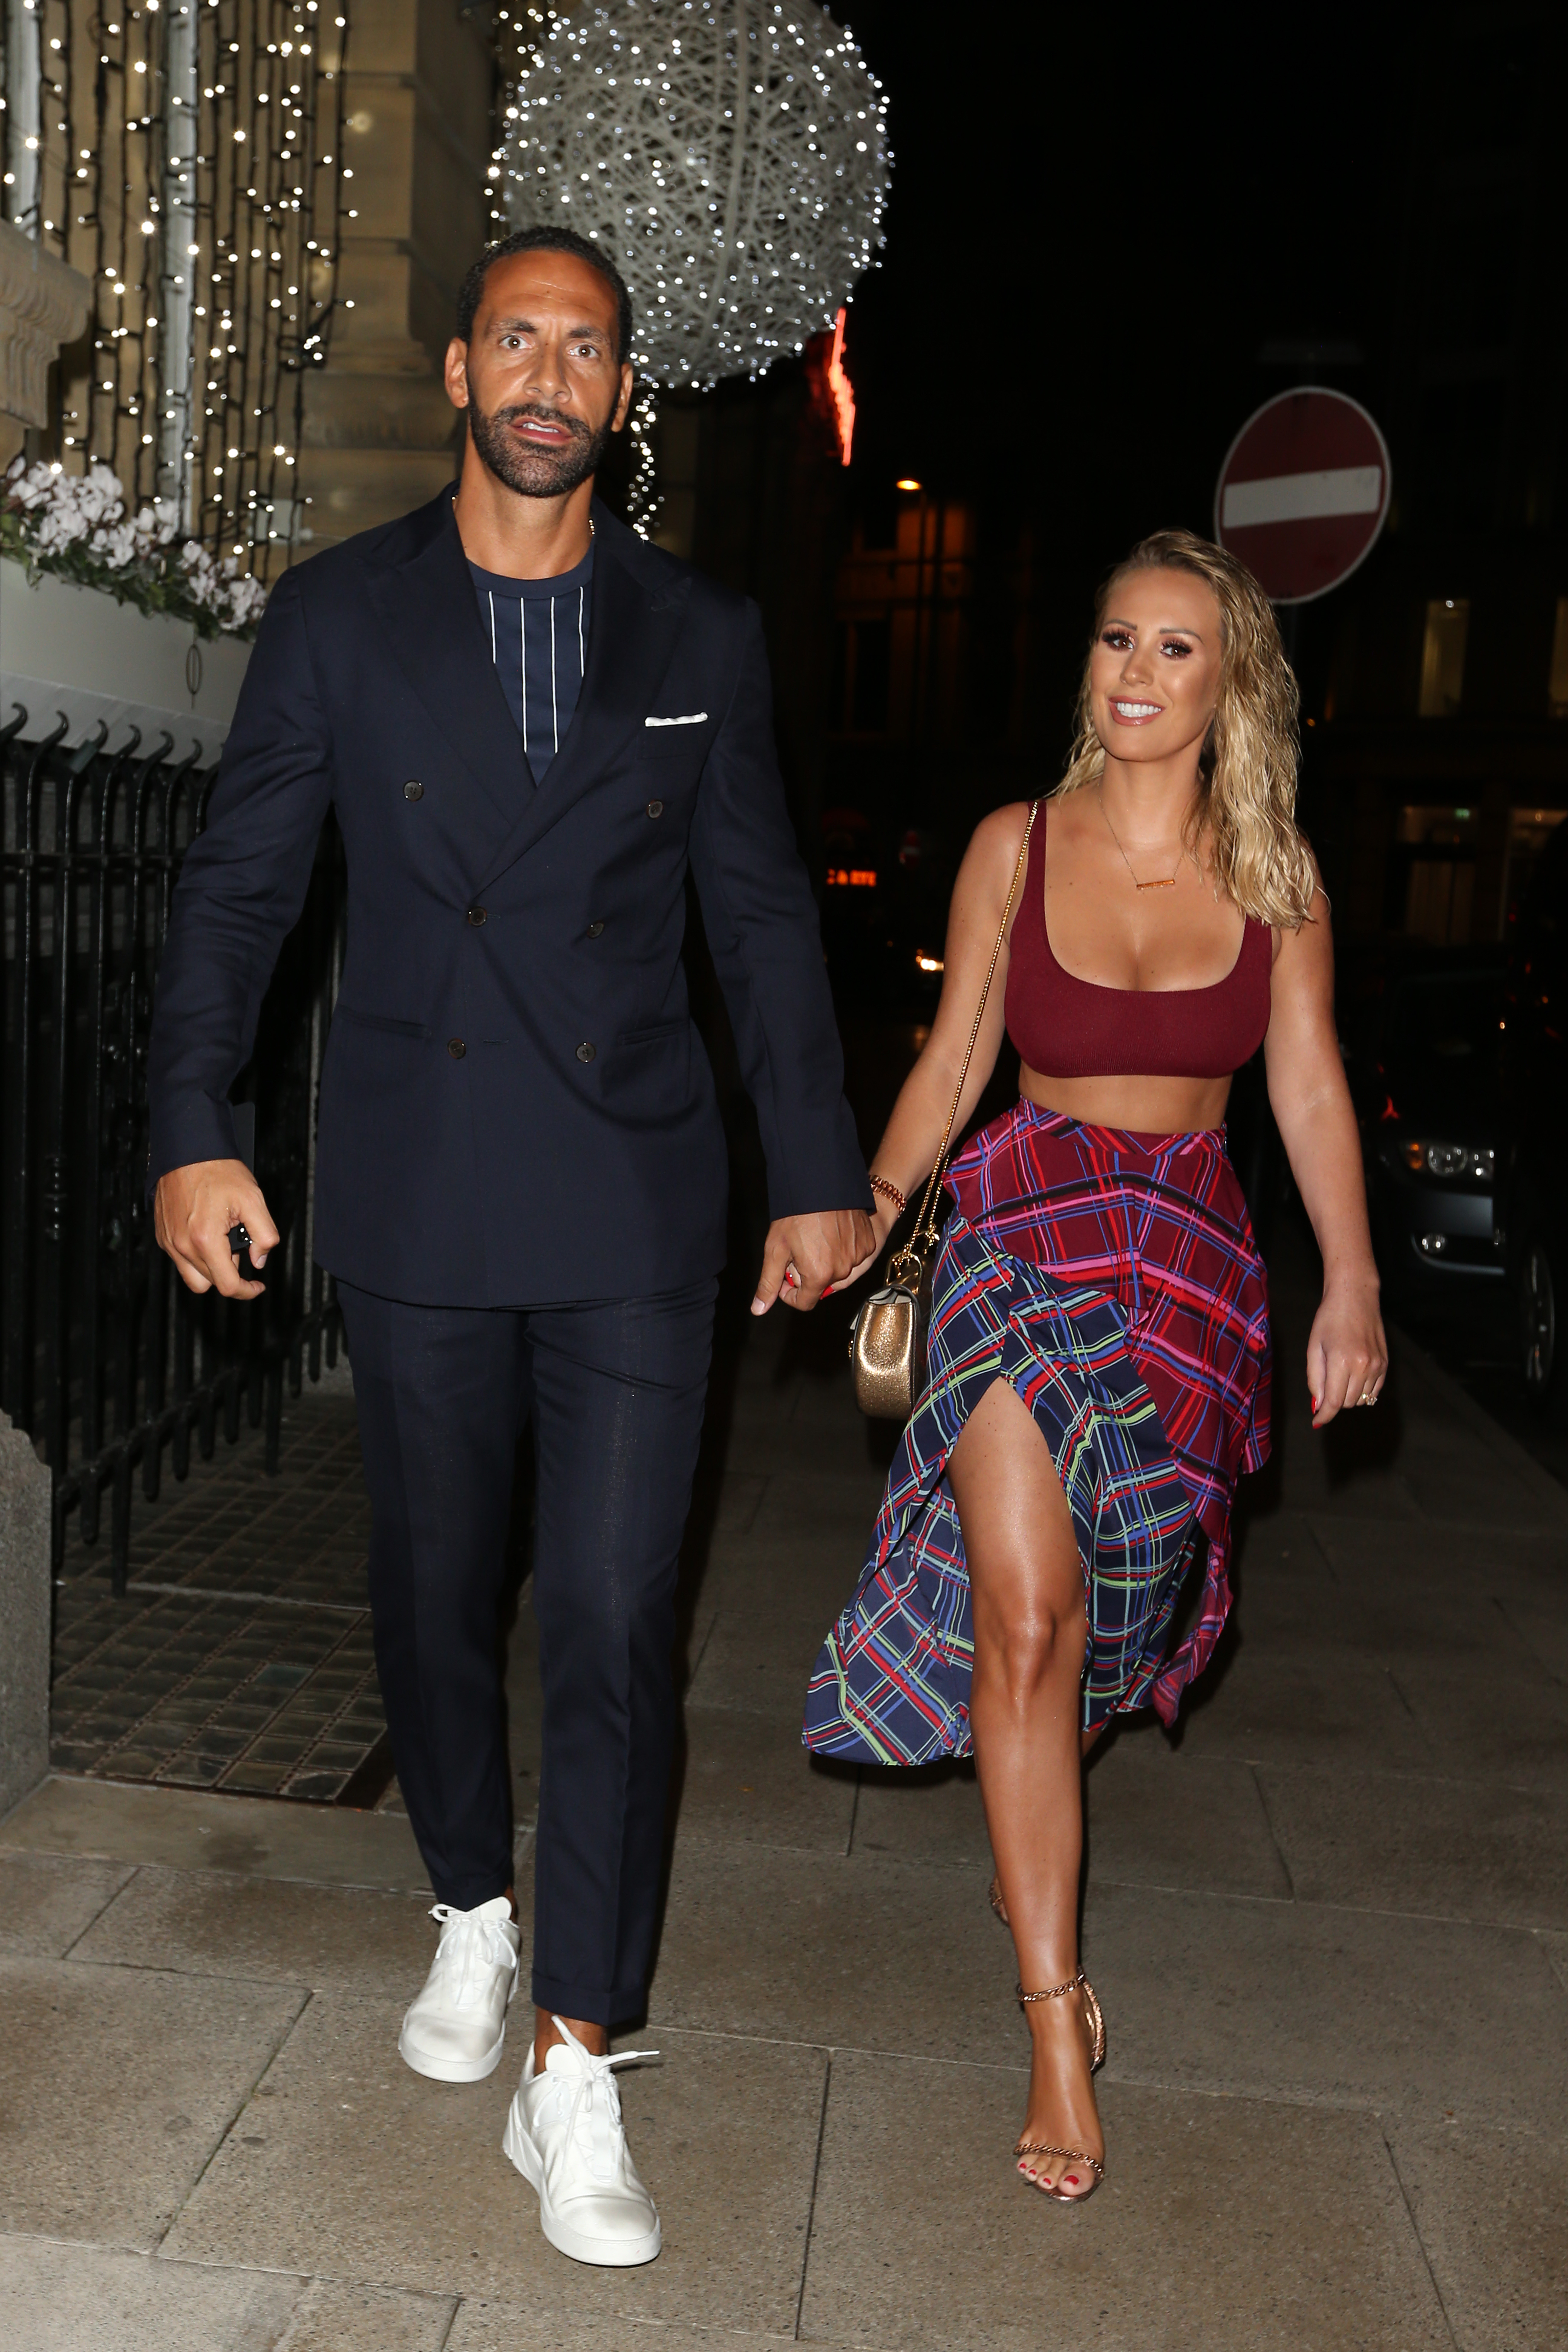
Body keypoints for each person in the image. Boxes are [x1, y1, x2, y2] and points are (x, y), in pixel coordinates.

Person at [148, 224, 873, 2268]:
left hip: (640, 1195)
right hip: (429, 1183)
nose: (553, 376)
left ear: (622, 398)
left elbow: (758, 921)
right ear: (462, 374)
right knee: (439, 1583)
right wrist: (191, 1129)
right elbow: (238, 901)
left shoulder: (697, 636)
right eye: (520, 341)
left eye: (591, 351)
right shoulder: (341, 621)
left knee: (624, 1617)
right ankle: (471, 1892)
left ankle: (576, 2060)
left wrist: (815, 1163)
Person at [805, 529, 1386, 2203]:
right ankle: (1056, 2017)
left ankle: (1032, 1790)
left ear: (1233, 686)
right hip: (1017, 1240)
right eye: (1116, 639)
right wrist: (865, 1209)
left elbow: (1313, 1095)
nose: (1135, 673)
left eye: (1176, 650)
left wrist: (1348, 1278)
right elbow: (955, 1059)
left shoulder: (1277, 875)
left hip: (1189, 1264)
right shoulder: (1013, 845)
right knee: (1028, 1616)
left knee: (1118, 1608)